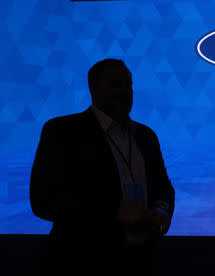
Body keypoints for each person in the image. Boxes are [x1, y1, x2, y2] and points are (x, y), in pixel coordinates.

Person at [30, 58, 175, 275]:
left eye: (129, 85)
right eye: (116, 85)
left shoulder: (146, 136)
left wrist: (162, 209)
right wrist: (113, 211)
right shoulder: (62, 131)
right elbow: (43, 200)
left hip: (139, 261)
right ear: (93, 89)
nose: (125, 91)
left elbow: (164, 188)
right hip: (80, 262)